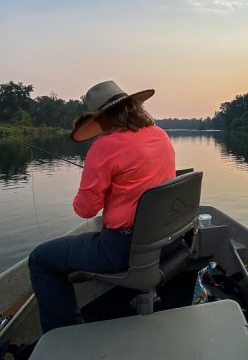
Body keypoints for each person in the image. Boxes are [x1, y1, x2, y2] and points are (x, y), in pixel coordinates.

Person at [28, 80, 176, 333]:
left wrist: (96, 188)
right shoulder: (159, 134)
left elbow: (85, 210)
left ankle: (65, 335)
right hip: (169, 240)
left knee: (40, 259)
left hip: (122, 249)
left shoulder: (104, 147)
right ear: (133, 107)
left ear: (104, 117)